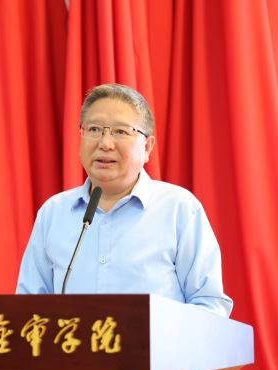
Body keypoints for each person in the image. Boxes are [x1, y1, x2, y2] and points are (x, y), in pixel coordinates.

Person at [16, 83, 232, 319]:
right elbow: (28, 309)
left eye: (120, 132)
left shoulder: (179, 209)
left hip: (156, 344)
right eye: (94, 129)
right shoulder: (53, 213)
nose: (105, 143)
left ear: (147, 147)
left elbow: (209, 306)